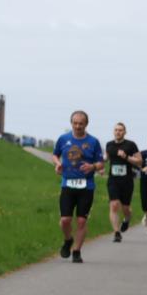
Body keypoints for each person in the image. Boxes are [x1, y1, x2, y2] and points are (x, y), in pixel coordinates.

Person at [52, 111, 105, 263]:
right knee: (65, 220)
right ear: (71, 123)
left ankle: (76, 251)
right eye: (75, 123)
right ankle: (68, 240)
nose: (77, 126)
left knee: (81, 221)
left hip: (86, 187)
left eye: (81, 123)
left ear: (86, 124)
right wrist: (58, 164)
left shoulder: (93, 142)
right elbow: (55, 155)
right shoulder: (63, 139)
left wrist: (93, 166)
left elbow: (101, 163)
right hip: (67, 184)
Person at [104, 123, 141, 242]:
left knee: (125, 208)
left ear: (125, 132)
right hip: (113, 180)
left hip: (127, 181)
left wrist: (126, 157)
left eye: (120, 130)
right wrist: (100, 166)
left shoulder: (131, 145)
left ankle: (127, 219)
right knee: (114, 205)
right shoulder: (109, 144)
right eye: (116, 130)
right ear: (113, 132)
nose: (118, 132)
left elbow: (139, 161)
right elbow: (106, 158)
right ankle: (116, 232)